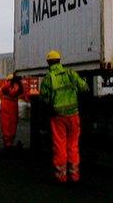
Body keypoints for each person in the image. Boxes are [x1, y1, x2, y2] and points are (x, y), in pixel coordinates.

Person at [39, 50, 88, 184]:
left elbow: (44, 98)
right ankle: (74, 175)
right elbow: (84, 88)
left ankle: (61, 176)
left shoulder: (48, 78)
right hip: (73, 114)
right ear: (60, 61)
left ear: (48, 63)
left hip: (58, 116)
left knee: (60, 144)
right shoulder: (71, 73)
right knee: (73, 145)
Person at [0, 73, 23, 149]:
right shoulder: (9, 86)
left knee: (8, 124)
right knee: (9, 124)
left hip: (9, 107)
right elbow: (14, 92)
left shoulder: (6, 86)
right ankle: (8, 143)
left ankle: (8, 143)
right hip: (10, 107)